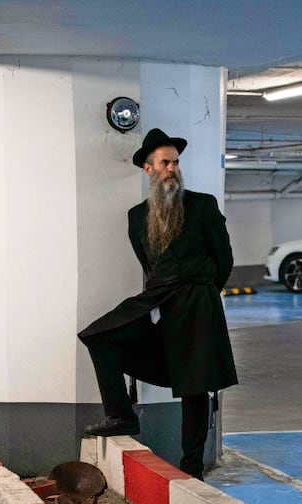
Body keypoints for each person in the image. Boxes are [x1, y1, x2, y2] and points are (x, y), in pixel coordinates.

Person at [78, 128, 238, 480]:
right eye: (165, 163)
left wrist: (205, 296)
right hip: (159, 296)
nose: (172, 169)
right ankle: (121, 414)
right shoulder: (137, 217)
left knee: (195, 386)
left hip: (198, 298)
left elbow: (224, 260)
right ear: (148, 169)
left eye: (175, 162)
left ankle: (191, 467)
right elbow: (147, 265)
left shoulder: (202, 205)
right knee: (98, 336)